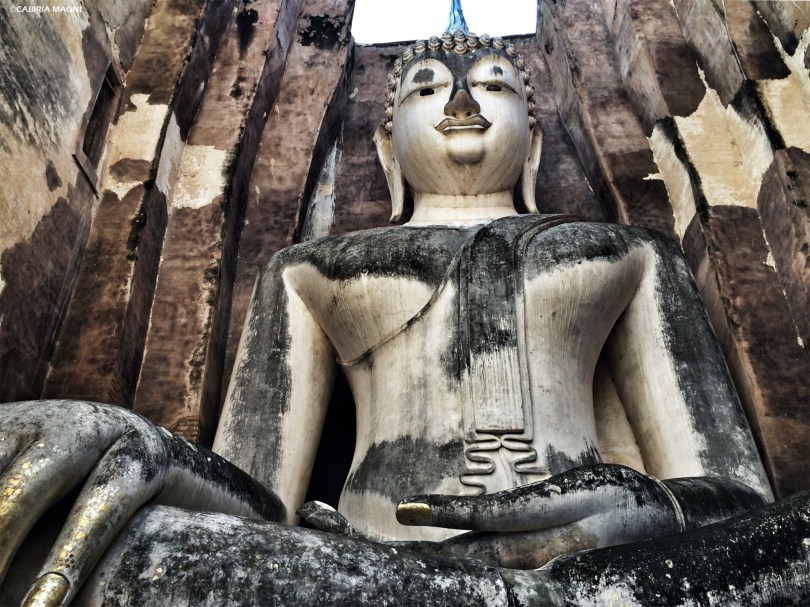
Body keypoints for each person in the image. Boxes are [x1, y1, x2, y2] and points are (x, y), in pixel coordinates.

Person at [2, 31, 804, 607]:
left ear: (534, 145)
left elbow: (738, 496)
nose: (459, 100)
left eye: (493, 84)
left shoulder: (628, 253)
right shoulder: (310, 270)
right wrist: (153, 450)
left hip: (609, 578)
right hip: (370, 572)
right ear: (386, 149)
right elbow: (256, 501)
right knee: (98, 541)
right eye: (425, 87)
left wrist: (649, 505)